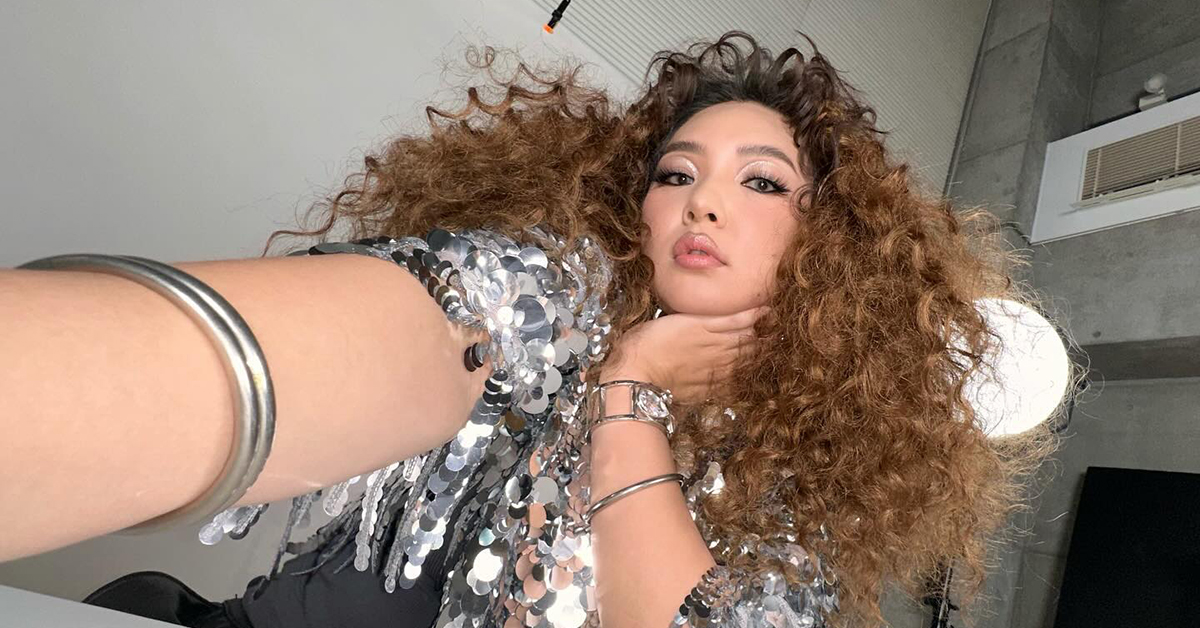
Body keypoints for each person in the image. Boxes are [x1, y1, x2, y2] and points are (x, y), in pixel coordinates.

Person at [11, 30, 1065, 628]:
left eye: (761, 181)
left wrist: (627, 404)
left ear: (829, 244)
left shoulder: (801, 501)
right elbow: (428, 314)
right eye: (675, 173)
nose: (702, 201)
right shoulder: (561, 288)